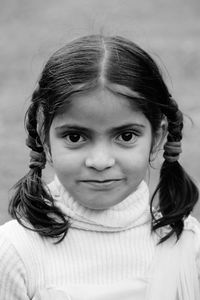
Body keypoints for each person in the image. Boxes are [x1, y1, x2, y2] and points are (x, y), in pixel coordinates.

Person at [0, 35, 199, 300]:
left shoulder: (187, 244)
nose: (100, 161)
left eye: (126, 136)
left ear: (158, 137)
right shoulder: (16, 251)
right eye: (75, 137)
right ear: (44, 135)